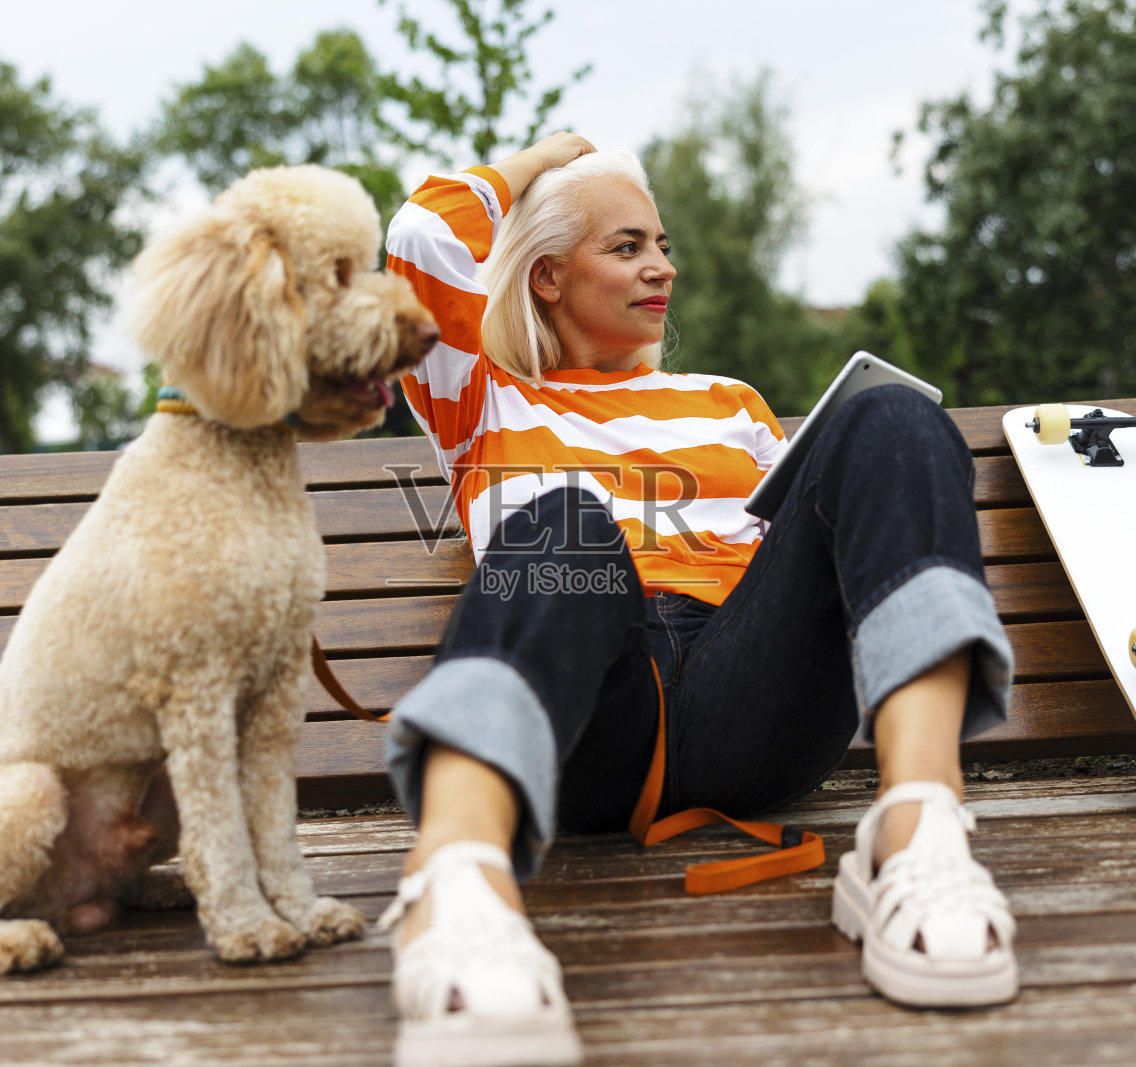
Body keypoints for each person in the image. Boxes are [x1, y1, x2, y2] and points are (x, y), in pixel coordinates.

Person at [377, 132, 1017, 1067]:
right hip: (593, 717)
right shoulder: (483, 399)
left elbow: (815, 545)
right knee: (565, 521)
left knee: (891, 415)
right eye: (627, 245)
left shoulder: (730, 403)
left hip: (752, 692)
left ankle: (917, 832)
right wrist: (552, 156)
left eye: (663, 245)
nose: (663, 267)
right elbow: (421, 237)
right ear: (548, 276)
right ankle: (452, 882)